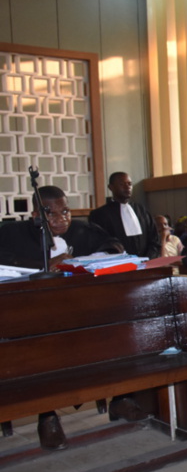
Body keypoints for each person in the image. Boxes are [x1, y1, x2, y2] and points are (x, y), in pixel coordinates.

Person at [0, 186, 130, 450]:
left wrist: (82, 260)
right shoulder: (13, 233)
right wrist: (46, 265)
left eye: (66, 211)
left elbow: (114, 246)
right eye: (51, 213)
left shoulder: (83, 230)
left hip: (81, 314)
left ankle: (122, 399)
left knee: (117, 333)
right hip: (32, 320)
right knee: (41, 352)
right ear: (36, 214)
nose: (61, 219)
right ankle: (47, 417)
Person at [88, 172, 161, 259]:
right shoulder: (99, 214)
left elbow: (154, 239)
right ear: (110, 187)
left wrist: (148, 258)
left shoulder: (141, 210)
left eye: (129, 184)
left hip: (146, 264)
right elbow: (99, 244)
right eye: (122, 184)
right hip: (117, 265)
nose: (127, 187)